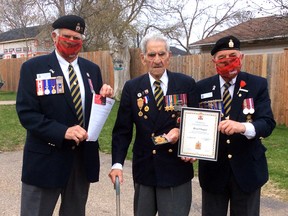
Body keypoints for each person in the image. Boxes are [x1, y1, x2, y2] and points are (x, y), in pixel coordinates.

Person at [16, 15, 113, 216]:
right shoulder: (33, 68)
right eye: (67, 36)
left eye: (77, 38)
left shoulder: (91, 70)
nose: (72, 41)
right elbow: (27, 114)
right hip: (45, 159)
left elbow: (92, 111)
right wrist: (63, 131)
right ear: (54, 36)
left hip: (80, 160)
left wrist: (103, 98)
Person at [108, 33, 197, 216]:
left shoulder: (186, 84)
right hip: (145, 167)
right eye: (151, 55)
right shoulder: (132, 88)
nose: (157, 60)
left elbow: (197, 122)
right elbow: (122, 131)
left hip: (175, 168)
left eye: (161, 54)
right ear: (143, 58)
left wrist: (184, 135)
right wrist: (117, 164)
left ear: (169, 56)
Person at [196, 35, 276, 216]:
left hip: (247, 171)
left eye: (233, 56)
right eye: (222, 57)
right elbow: (194, 123)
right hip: (213, 172)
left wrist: (243, 127)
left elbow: (267, 123)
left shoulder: (257, 84)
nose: (228, 61)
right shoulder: (201, 88)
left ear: (242, 57)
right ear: (213, 61)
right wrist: (191, 148)